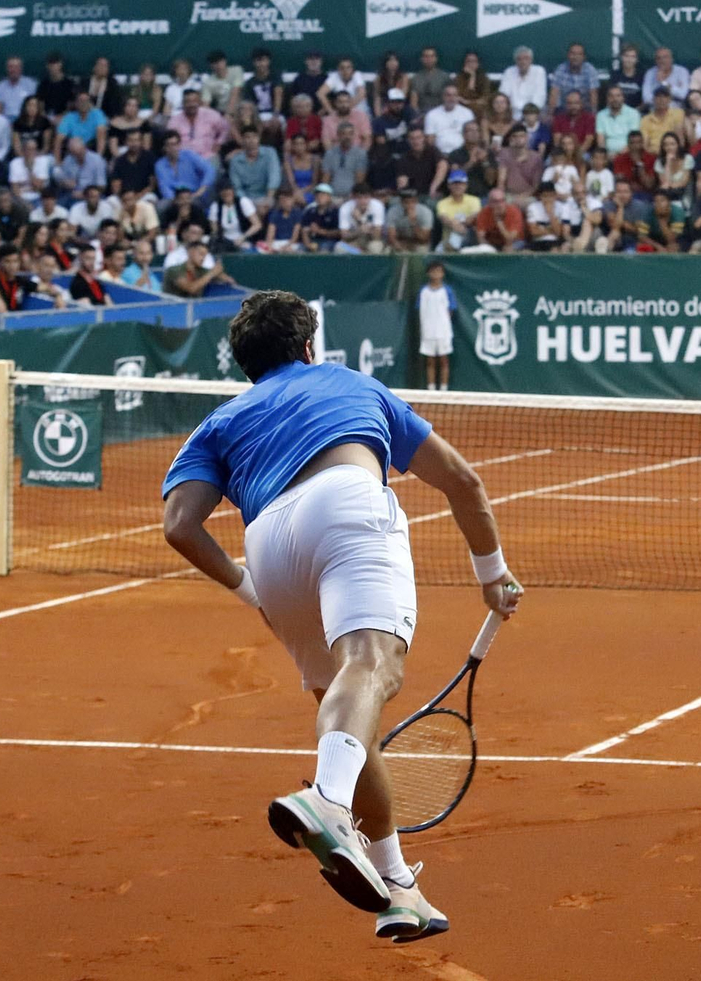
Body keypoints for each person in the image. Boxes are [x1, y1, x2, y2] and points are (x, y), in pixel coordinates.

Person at [161, 290, 522, 942]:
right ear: (307, 348)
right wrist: (492, 574)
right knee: (371, 667)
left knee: (350, 715)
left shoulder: (219, 421)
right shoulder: (354, 383)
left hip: (266, 542)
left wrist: (251, 590)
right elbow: (462, 482)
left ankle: (399, 888)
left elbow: (180, 525)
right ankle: (327, 801)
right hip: (346, 503)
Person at [417, 261, 457, 390]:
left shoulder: (447, 291)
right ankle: (431, 388)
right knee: (430, 360)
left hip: (443, 331)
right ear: (428, 273)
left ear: (443, 274)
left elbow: (451, 310)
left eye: (439, 271)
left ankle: (444, 389)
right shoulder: (423, 292)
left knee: (444, 360)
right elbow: (420, 309)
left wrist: (442, 324)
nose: (436, 274)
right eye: (433, 271)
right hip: (428, 331)